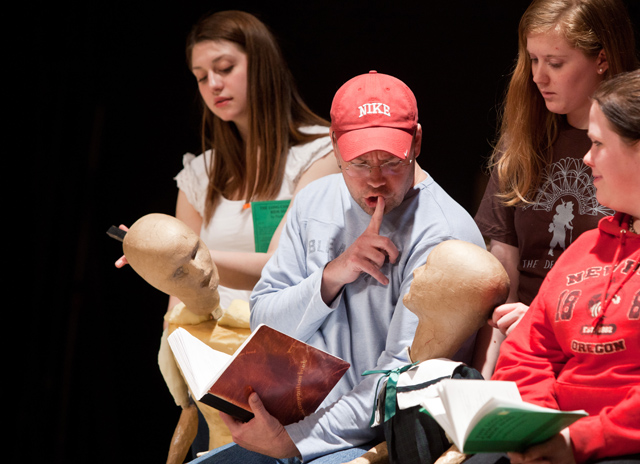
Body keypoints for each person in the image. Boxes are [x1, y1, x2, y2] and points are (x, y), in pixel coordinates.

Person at [187, 71, 486, 463]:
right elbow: (265, 323)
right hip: (294, 420)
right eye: (360, 162)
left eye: (391, 162)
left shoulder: (444, 235)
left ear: (416, 141)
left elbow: (398, 381)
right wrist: (331, 276)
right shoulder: (314, 202)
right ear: (334, 144)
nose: (376, 180)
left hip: (372, 440)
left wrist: (292, 442)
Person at [116, 10, 338, 455]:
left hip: (282, 357)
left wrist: (182, 257)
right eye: (201, 76)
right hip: (210, 365)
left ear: (262, 65)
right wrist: (160, 269)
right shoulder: (201, 174)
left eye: (224, 69)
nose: (213, 85)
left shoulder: (319, 155)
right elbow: (177, 301)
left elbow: (284, 267)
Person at [468, 69, 640, 464]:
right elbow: (526, 355)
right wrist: (537, 427)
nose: (585, 157)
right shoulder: (585, 248)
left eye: (598, 144)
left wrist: (575, 441)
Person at [473, 0, 638, 376]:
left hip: (597, 338)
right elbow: (502, 280)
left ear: (603, 59)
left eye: (555, 63)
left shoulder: (629, 147)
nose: (538, 77)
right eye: (533, 60)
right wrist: (486, 381)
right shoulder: (524, 137)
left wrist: (546, 326)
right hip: (524, 338)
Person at [121, 213, 252, 463]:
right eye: (179, 271)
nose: (200, 269)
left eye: (195, 251)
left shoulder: (254, 319)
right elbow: (188, 412)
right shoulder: (177, 335)